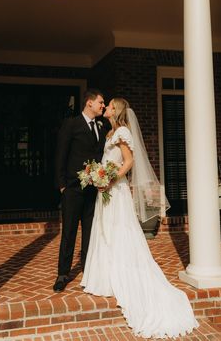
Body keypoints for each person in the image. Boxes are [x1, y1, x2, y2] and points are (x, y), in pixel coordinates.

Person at [81, 98, 199, 339]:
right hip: (106, 191)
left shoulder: (122, 131)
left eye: (110, 105)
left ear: (117, 110)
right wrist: (98, 175)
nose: (106, 107)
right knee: (104, 230)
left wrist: (109, 178)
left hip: (116, 189)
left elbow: (129, 161)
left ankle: (123, 273)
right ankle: (104, 276)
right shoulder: (110, 132)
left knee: (119, 230)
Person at [53, 89, 108, 293]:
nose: (103, 105)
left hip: (93, 190)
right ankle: (63, 273)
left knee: (89, 232)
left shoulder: (101, 128)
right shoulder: (72, 124)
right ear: (89, 103)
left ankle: (88, 270)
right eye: (101, 102)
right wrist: (62, 185)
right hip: (73, 189)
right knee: (69, 232)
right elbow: (61, 154)